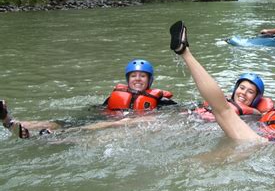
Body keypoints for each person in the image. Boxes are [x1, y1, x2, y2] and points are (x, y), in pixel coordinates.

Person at [1, 59, 176, 139]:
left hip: (118, 124)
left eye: (142, 76)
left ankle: (47, 137)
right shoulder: (113, 97)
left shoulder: (161, 101)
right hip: (105, 118)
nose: (138, 79)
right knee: (58, 122)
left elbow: (179, 112)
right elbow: (101, 109)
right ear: (128, 80)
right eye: (134, 76)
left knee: (109, 126)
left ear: (149, 80)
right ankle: (9, 121)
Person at [193, 73, 275, 121]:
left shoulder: (253, 117)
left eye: (250, 92)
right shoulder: (224, 99)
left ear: (256, 98)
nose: (243, 93)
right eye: (242, 88)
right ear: (236, 89)